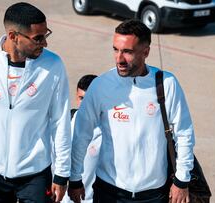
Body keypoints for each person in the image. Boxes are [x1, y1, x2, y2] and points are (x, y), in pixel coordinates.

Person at [68, 19, 195, 203]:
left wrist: (182, 180)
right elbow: (81, 134)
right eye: (115, 49)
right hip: (109, 192)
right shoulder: (101, 86)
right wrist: (74, 178)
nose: (119, 58)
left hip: (153, 194)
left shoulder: (167, 84)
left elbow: (184, 133)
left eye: (127, 52)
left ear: (146, 52)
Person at [0, 2, 71, 202]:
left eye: (46, 35)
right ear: (13, 36)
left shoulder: (53, 65)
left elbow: (60, 120)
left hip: (34, 173)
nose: (44, 43)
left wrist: (62, 173)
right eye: (38, 38)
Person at [60, 74, 101, 203]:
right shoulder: (65, 123)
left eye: (88, 99)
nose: (84, 104)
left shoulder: (108, 129)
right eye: (81, 98)